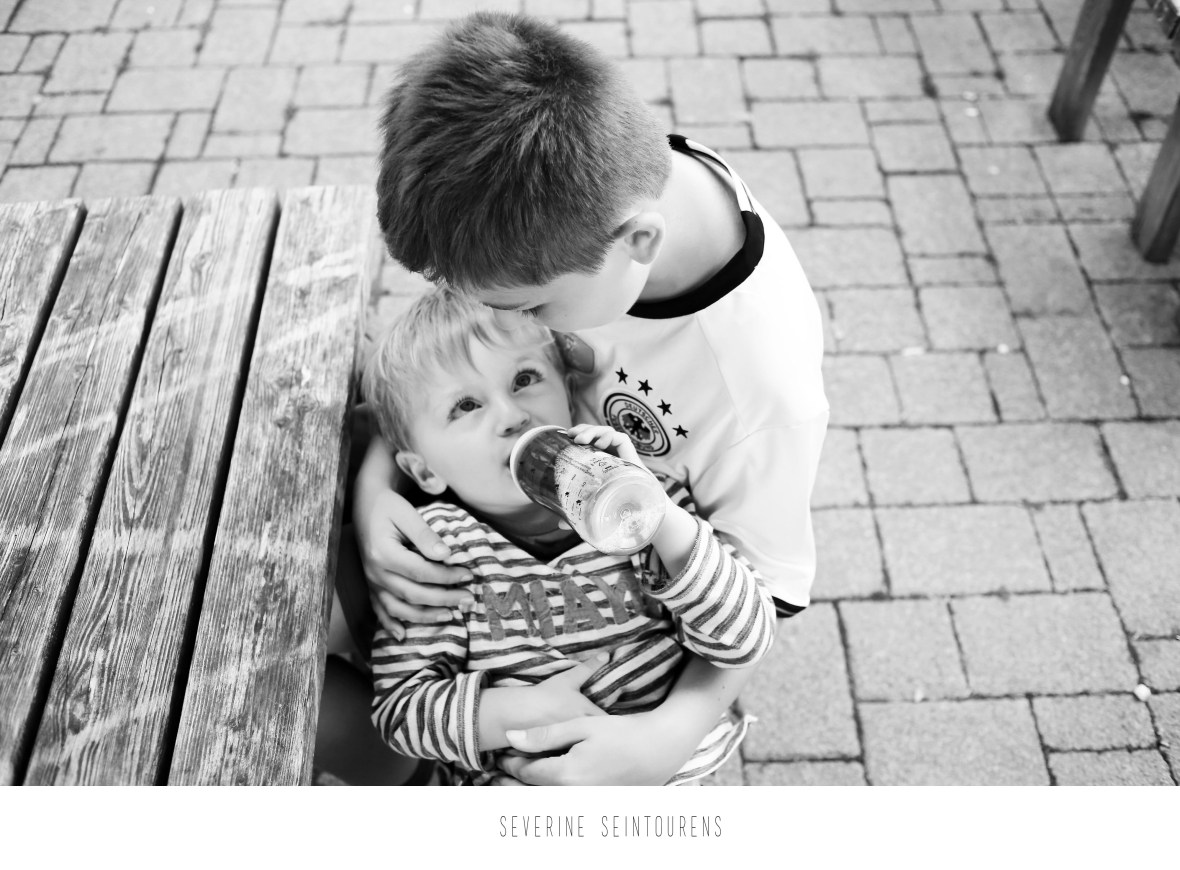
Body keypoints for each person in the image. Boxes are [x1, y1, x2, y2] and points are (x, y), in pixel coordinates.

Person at [353, 10, 828, 785]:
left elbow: (760, 599)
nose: (513, 331)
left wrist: (668, 736)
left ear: (639, 243)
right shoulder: (569, 185)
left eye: (529, 309)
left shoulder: (757, 392)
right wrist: (376, 490)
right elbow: (438, 370)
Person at [361, 287, 776, 785]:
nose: (512, 415)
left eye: (524, 379)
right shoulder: (437, 554)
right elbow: (401, 711)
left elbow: (746, 635)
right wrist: (517, 711)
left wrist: (656, 514)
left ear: (570, 397)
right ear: (423, 472)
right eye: (466, 405)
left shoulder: (643, 508)